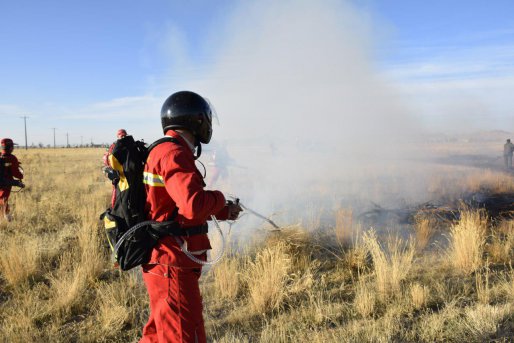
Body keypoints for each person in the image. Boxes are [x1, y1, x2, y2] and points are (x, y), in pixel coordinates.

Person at [140, 91, 242, 343]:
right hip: (172, 262)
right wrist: (218, 197)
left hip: (169, 260)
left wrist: (223, 210)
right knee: (183, 336)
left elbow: (177, 204)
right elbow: (193, 206)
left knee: (160, 334)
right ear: (196, 121)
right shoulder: (174, 153)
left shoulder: (165, 150)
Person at [0, 138, 24, 222]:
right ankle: (7, 218)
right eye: (12, 146)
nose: (13, 148)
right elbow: (15, 172)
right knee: (3, 199)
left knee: (2, 198)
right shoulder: (12, 158)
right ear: (10, 148)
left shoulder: (0, 156)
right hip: (6, 183)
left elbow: (6, 165)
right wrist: (21, 176)